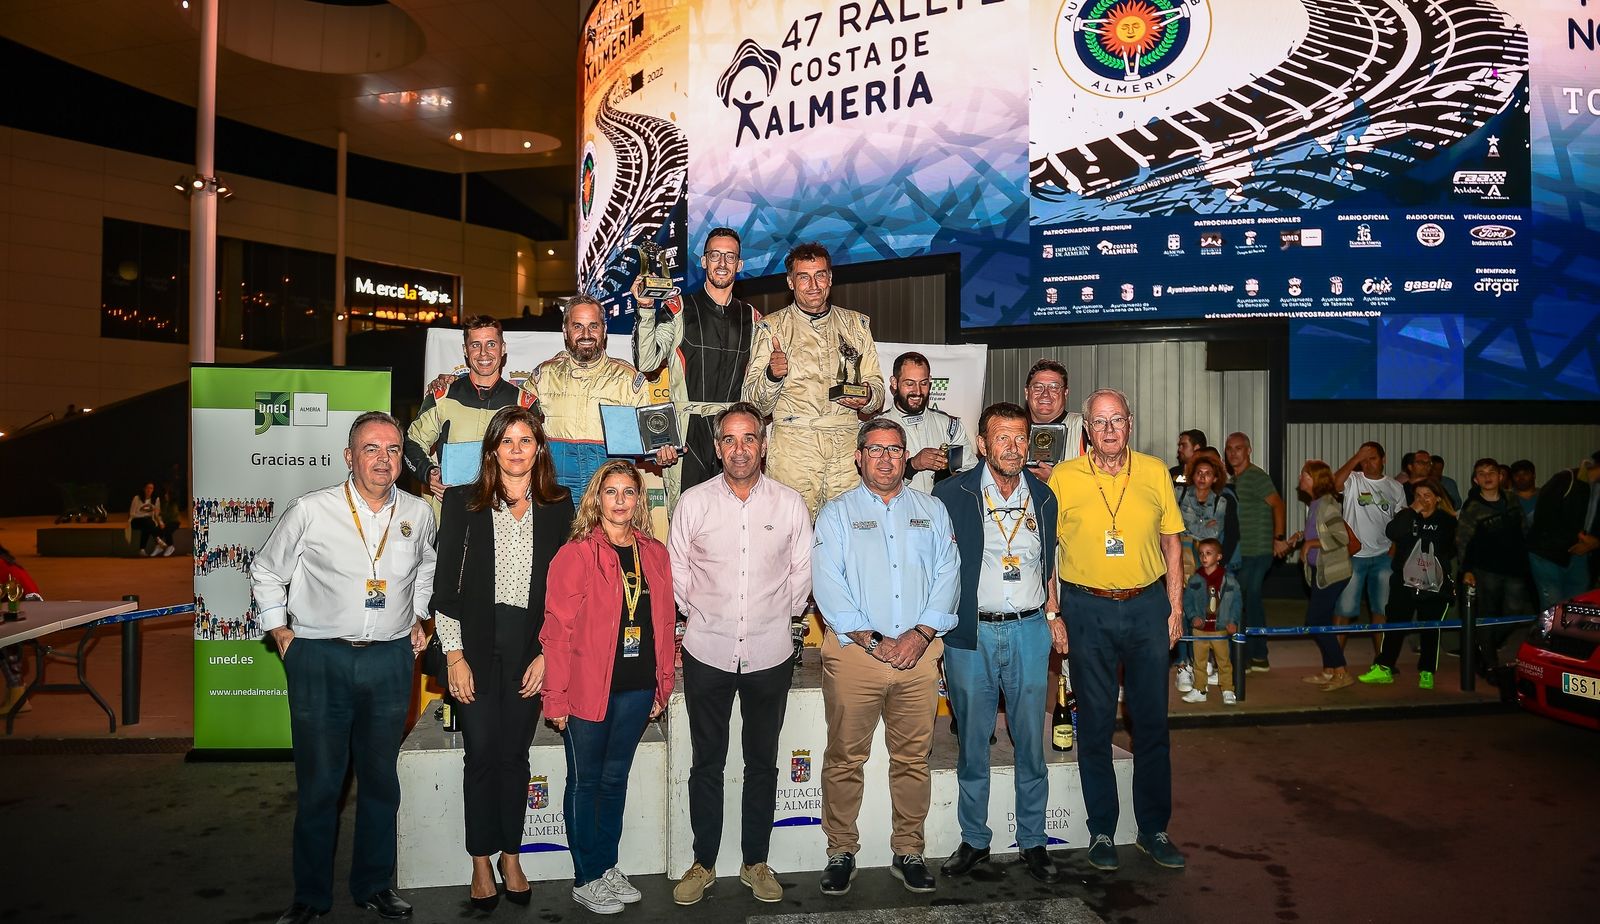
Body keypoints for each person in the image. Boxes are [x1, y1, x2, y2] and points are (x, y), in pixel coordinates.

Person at [251, 412, 437, 924]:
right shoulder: (312, 510)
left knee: (380, 781)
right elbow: (266, 569)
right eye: (371, 449)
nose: (384, 458)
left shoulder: (418, 513)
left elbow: (426, 566)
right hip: (320, 659)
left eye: (394, 449)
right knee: (320, 785)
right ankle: (310, 895)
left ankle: (374, 885)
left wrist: (419, 615)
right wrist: (280, 630)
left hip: (390, 660)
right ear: (349, 457)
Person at [668, 402, 812, 906]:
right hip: (706, 651)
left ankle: (756, 862)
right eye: (729, 439)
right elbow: (678, 575)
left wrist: (774, 618)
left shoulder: (790, 504)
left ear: (764, 443)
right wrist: (705, 617)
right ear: (717, 447)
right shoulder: (693, 503)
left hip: (770, 653)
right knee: (705, 762)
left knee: (763, 763)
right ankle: (703, 862)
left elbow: (801, 578)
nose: (739, 448)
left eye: (748, 438)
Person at [430, 407, 573, 910]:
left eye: (525, 440)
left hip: (528, 648)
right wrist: (454, 656)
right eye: (506, 440)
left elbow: (564, 593)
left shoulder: (559, 506)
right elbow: (444, 586)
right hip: (474, 643)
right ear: (492, 450)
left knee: (515, 755)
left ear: (539, 448)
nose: (516, 449)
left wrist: (548, 655)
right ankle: (479, 861)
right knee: (482, 754)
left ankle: (511, 853)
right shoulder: (463, 503)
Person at [811, 418, 960, 895]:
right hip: (857, 656)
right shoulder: (835, 514)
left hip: (919, 657)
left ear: (905, 457)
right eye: (874, 450)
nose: (885, 458)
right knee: (844, 758)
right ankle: (840, 851)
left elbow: (948, 575)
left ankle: (909, 850)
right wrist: (876, 641)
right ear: (858, 457)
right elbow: (828, 586)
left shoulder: (932, 510)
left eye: (894, 450)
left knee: (914, 758)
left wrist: (918, 636)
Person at [1047, 387, 1187, 872]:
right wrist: (1053, 613)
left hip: (1147, 607)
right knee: (1097, 723)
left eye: (1118, 420)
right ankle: (1102, 830)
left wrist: (1175, 608)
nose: (1109, 430)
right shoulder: (1063, 478)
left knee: (1151, 723)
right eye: (1100, 422)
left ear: (1131, 423)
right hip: (1086, 609)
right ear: (1086, 429)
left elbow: (1172, 545)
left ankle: (1153, 828)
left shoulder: (1153, 473)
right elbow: (1047, 552)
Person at [932, 402, 1064, 884]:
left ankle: (1033, 840)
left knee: (1030, 742)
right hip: (972, 633)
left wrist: (1053, 613)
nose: (1013, 446)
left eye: (1020, 437)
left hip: (1030, 630)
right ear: (983, 444)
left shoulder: (1045, 497)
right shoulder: (952, 493)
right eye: (1002, 438)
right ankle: (974, 839)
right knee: (972, 742)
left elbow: (1049, 563)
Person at [540, 460, 677, 915]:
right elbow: (557, 632)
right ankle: (586, 876)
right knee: (585, 782)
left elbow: (662, 623)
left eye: (628, 492)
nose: (620, 500)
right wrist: (555, 696)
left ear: (639, 500)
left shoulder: (654, 553)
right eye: (611, 491)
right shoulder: (576, 554)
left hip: (637, 687)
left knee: (614, 781)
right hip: (587, 688)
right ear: (596, 498)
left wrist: (663, 683)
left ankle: (607, 864)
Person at [743, 242, 884, 518]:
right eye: (803, 277)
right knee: (788, 534)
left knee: (849, 532)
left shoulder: (856, 326)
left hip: (845, 447)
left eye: (820, 275)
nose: (813, 285)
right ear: (790, 282)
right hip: (794, 448)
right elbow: (753, 404)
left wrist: (867, 397)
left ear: (830, 278)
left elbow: (877, 389)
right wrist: (772, 376)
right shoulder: (772, 328)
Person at [633, 228, 761, 514]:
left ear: (739, 265)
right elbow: (648, 362)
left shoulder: (753, 319)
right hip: (688, 434)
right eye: (715, 255)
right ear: (703, 261)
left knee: (736, 523)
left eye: (730, 256)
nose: (722, 263)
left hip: (733, 435)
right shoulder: (677, 308)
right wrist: (644, 310)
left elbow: (761, 388)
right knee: (686, 526)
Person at [521, 296, 679, 498]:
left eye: (593, 326)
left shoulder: (628, 379)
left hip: (610, 494)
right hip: (556, 491)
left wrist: (662, 453)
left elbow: (654, 441)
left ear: (604, 331)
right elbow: (519, 432)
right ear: (565, 330)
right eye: (577, 326)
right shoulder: (544, 376)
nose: (586, 334)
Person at [405, 315, 530, 511]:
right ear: (465, 350)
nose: (483, 353)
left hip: (506, 512)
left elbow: (539, 458)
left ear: (503, 348)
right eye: (475, 345)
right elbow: (412, 442)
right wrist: (429, 473)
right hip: (452, 511)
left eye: (491, 344)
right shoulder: (442, 396)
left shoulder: (524, 403)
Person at [1359, 481, 1458, 689]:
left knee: (1430, 628)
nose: (1422, 499)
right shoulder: (1407, 516)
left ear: (1438, 497)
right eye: (1418, 495)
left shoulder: (1447, 521)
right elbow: (1392, 532)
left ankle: (1427, 671)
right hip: (1403, 581)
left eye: (1427, 495)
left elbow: (1445, 546)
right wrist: (1412, 511)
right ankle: (1384, 667)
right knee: (1395, 623)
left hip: (1433, 583)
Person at [1454, 458, 1532, 672]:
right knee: (1487, 615)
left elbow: (1524, 530)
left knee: (1515, 613)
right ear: (1475, 480)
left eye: (1491, 472)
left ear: (1500, 476)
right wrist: (1466, 570)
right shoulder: (1473, 508)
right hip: (1485, 570)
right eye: (1482, 473)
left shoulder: (1512, 499)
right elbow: (1463, 541)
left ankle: (1482, 645)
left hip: (1514, 568)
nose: (1487, 476)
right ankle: (1489, 664)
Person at [1286, 460, 1356, 692]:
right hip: (1321, 572)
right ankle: (1329, 671)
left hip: (1333, 572)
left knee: (1316, 621)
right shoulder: (1316, 504)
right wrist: (1302, 537)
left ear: (1315, 479)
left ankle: (1341, 671)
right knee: (1322, 621)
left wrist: (1311, 544)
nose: (1300, 478)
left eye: (1304, 475)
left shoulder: (1327, 504)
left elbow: (1341, 537)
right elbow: (1321, 531)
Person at [1223, 433, 1288, 673]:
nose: (1233, 453)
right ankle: (1249, 655)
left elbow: (1277, 504)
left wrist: (1279, 538)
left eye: (1238, 448)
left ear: (1248, 450)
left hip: (1259, 550)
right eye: (1229, 449)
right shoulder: (1236, 480)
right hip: (1242, 553)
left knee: (1250, 596)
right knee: (1244, 600)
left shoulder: (1256, 476)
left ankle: (1258, 655)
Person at [1332, 442, 1405, 659]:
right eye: (1364, 458)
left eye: (1372, 457)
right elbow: (1334, 484)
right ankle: (1335, 661)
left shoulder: (1395, 487)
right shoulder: (1354, 479)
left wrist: (1393, 549)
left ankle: (1382, 661)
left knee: (1381, 611)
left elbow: (1401, 522)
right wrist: (1355, 458)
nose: (1367, 462)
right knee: (1344, 610)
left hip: (1383, 557)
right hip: (1354, 557)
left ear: (1384, 459)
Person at [1173, 451, 1237, 693]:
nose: (1202, 477)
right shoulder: (1179, 495)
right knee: (1181, 611)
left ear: (1215, 478)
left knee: (1207, 613)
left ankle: (1206, 664)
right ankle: (1183, 664)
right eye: (1198, 473)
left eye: (1208, 474)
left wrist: (1222, 565)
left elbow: (1229, 535)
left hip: (1209, 566)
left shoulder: (1223, 501)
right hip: (1183, 562)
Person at [882, 351, 977, 494]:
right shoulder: (877, 428)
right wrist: (912, 465)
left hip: (942, 510)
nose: (918, 391)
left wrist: (950, 476)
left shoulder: (950, 426)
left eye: (924, 383)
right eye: (909, 384)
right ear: (894, 383)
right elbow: (875, 483)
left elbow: (971, 474)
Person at [1525, 452, 1600, 610]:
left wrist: (1595, 542)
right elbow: (1543, 517)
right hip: (1548, 553)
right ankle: (1552, 634)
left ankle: (1568, 635)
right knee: (1553, 607)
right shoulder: (1566, 479)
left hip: (1580, 554)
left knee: (1577, 605)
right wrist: (1578, 539)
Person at [1180, 538, 1240, 705]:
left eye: (1208, 553)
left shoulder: (1227, 578)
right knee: (1199, 663)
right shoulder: (1195, 579)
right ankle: (1200, 689)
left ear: (1219, 556)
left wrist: (1233, 621)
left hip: (1219, 628)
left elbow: (1236, 601)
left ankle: (1228, 689)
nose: (1204, 557)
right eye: (1201, 554)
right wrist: (1193, 617)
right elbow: (1187, 601)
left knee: (1224, 662)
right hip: (1200, 630)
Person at [1022, 359, 1086, 482]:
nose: (1045, 394)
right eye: (1038, 387)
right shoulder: (1011, 429)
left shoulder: (1084, 427)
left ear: (1065, 393)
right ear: (1027, 392)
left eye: (1054, 387)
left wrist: (1058, 480)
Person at [0, 544, 43, 713]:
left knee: (5, 641)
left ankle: (17, 695)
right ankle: (16, 694)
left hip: (25, 612)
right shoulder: (5, 560)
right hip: (25, 611)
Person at [129, 481, 177, 556]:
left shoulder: (155, 499)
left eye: (151, 488)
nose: (149, 490)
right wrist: (143, 516)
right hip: (136, 521)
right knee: (147, 521)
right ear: (144, 489)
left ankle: (142, 549)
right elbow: (132, 514)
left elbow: (157, 514)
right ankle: (158, 540)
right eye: (147, 488)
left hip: (148, 523)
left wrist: (160, 522)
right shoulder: (137, 498)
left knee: (147, 526)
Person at [1509, 459, 1539, 526]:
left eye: (1525, 474)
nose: (1521, 478)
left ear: (1534, 475)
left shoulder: (1546, 495)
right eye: (1516, 475)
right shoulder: (1506, 498)